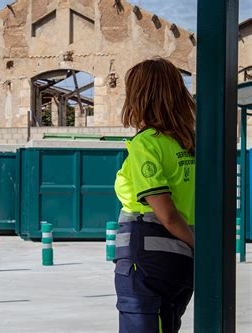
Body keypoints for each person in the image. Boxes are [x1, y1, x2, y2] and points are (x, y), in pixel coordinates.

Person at [113, 57, 196, 333]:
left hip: (145, 262)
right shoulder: (189, 144)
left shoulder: (146, 144)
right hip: (180, 264)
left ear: (139, 98)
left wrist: (199, 246)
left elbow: (168, 214)